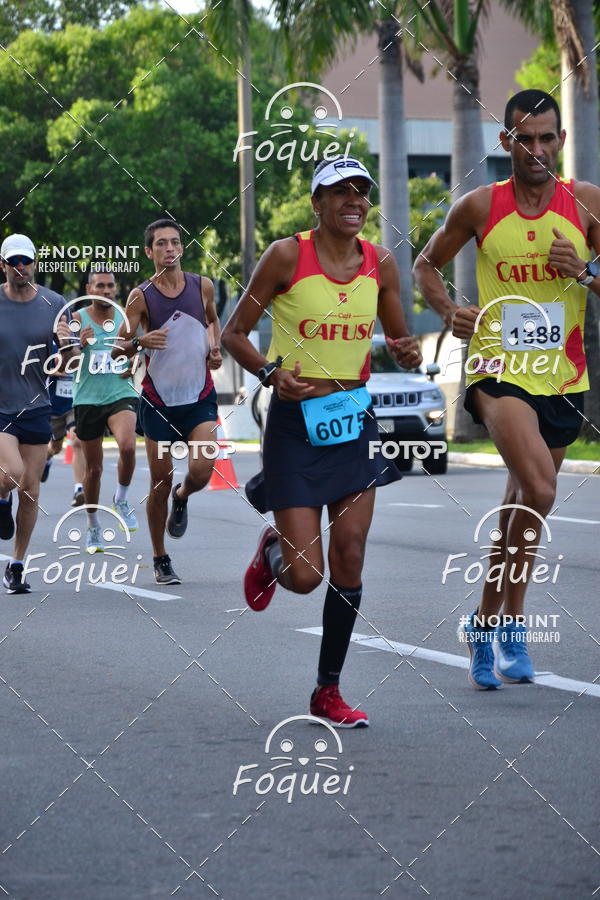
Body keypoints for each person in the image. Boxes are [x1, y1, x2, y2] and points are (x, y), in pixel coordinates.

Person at [222, 156, 422, 727]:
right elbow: (235, 333)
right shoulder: (287, 256)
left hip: (354, 419)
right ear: (317, 203)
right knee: (306, 577)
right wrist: (269, 373)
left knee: (350, 554)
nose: (354, 201)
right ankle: (274, 551)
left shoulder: (381, 263)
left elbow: (399, 338)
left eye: (362, 191)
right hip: (294, 423)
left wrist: (407, 351)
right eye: (340, 192)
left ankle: (327, 690)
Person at [414, 89, 600, 689]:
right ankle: (496, 622)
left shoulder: (586, 203)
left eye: (547, 138)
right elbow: (424, 265)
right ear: (507, 142)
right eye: (525, 138)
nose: (537, 149)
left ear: (561, 141)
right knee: (540, 488)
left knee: (523, 505)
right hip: (497, 370)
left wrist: (585, 271)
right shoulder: (479, 206)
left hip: (563, 377)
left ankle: (497, 623)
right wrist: (450, 310)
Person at [112, 219, 222, 584]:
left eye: (175, 242)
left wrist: (215, 348)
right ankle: (160, 557)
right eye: (161, 243)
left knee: (203, 470)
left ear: (182, 248)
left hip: (199, 396)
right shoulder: (140, 296)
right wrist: (140, 342)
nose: (170, 248)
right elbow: (117, 349)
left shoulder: (202, 286)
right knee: (160, 481)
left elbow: (213, 321)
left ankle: (183, 494)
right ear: (149, 252)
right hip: (158, 401)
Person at [0, 233, 77, 593]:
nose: (20, 267)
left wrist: (66, 343)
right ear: (3, 265)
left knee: (30, 491)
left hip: (36, 406)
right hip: (1, 408)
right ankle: (2, 499)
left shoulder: (55, 303)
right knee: (11, 474)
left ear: (34, 263)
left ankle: (17, 565)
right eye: (13, 261)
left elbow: (71, 361)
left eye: (26, 261)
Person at [70, 266, 139, 553]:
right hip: (87, 398)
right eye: (100, 286)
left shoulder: (125, 317)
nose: (106, 291)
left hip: (119, 392)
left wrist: (133, 363)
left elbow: (136, 350)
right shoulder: (77, 318)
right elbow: (69, 359)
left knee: (128, 446)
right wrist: (79, 345)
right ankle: (93, 524)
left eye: (110, 286)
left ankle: (121, 498)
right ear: (89, 290)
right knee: (94, 469)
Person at [42, 360, 86, 507]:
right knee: (55, 448)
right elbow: (34, 370)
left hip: (75, 404)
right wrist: (51, 371)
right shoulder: (50, 347)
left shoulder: (82, 348)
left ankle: (79, 489)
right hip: (54, 407)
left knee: (77, 441)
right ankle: (48, 458)